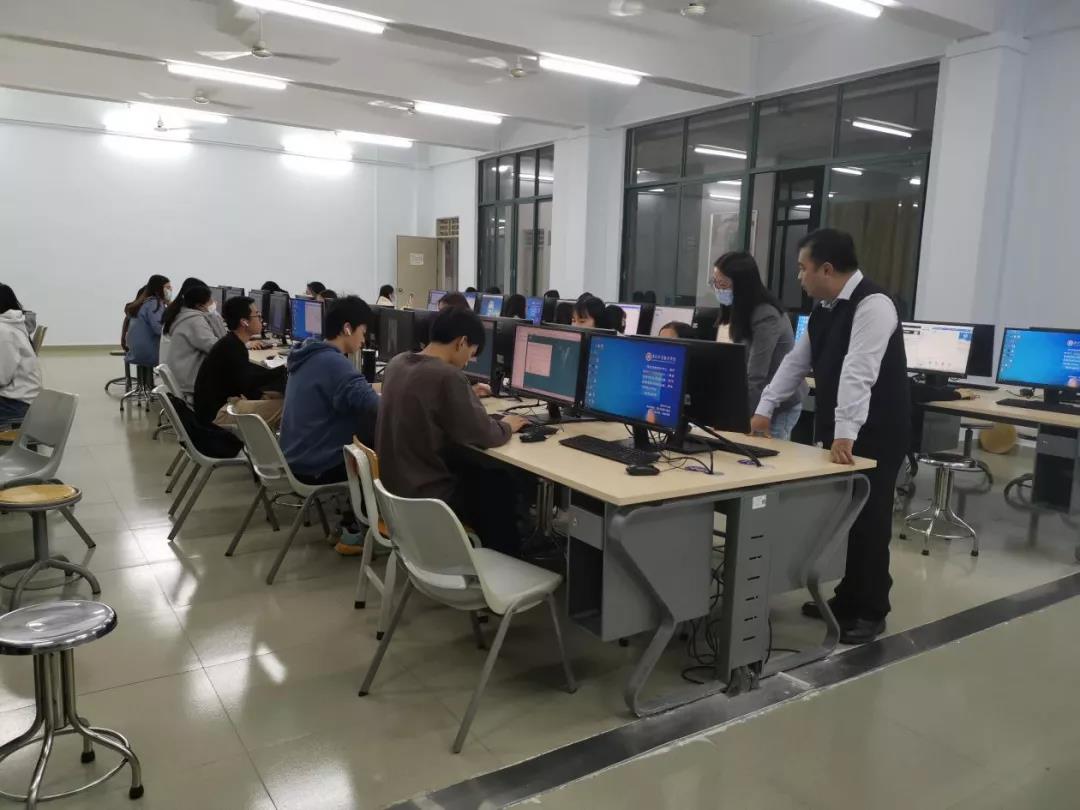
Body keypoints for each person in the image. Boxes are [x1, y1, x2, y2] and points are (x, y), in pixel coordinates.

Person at [750, 229, 910, 644]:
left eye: (802, 268)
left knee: (870, 519)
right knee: (844, 516)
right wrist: (765, 407)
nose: (799, 277)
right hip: (843, 430)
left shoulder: (874, 304)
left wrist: (845, 433)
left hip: (875, 430)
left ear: (826, 268)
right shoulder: (824, 308)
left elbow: (860, 369)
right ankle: (847, 596)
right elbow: (796, 362)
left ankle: (872, 609)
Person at [376, 307, 529, 555]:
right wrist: (507, 425)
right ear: (461, 342)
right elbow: (485, 434)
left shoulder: (397, 363)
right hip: (428, 498)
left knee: (478, 472)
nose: (468, 362)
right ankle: (506, 559)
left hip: (396, 493)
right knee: (499, 483)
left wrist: (466, 393)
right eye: (471, 353)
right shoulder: (447, 376)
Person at [280, 296, 380, 499]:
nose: (364, 340)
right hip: (316, 467)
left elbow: (352, 388)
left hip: (294, 457)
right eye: (363, 332)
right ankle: (368, 515)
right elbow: (375, 405)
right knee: (385, 448)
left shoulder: (309, 354)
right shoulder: (334, 363)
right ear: (347, 328)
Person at [712, 252, 806, 440]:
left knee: (766, 454)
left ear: (742, 284)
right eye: (715, 282)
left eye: (722, 284)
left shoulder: (766, 315)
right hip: (758, 396)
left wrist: (738, 419)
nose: (718, 289)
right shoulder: (741, 309)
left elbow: (756, 375)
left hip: (778, 404)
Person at [194, 296, 286, 429]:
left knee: (276, 395)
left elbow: (244, 382)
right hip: (219, 415)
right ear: (244, 322)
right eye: (257, 315)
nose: (261, 319)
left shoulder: (231, 342)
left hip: (215, 408)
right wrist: (283, 369)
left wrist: (263, 395)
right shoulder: (232, 347)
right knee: (286, 406)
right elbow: (248, 382)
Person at [163, 285, 221, 399]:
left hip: (180, 376)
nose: (214, 303)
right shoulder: (195, 320)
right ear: (199, 305)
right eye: (210, 301)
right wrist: (214, 316)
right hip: (189, 383)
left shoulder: (183, 315)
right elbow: (215, 347)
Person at [0, 285, 42, 424]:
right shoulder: (11, 324)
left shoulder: (3, 330)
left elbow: (1, 378)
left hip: (17, 405)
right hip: (21, 399)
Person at [125, 274, 171, 370]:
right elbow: (159, 329)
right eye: (167, 287)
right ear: (159, 289)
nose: (170, 290)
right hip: (149, 353)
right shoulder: (154, 303)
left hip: (136, 352)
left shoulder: (143, 303)